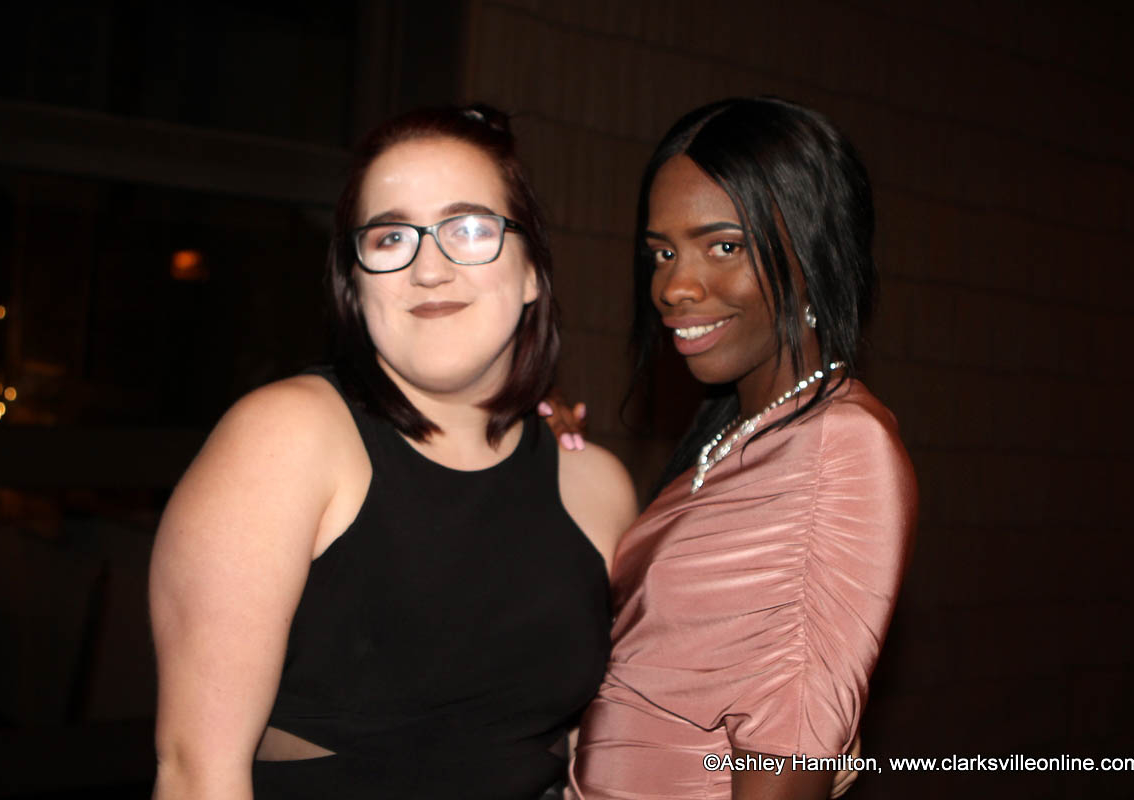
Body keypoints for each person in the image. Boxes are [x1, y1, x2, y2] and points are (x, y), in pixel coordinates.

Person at [149, 105, 638, 800]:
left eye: (470, 229)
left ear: (532, 271)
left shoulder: (597, 483)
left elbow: (598, 754)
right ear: (356, 283)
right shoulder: (285, 438)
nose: (429, 268)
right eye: (390, 237)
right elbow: (198, 773)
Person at [565, 96, 918, 799]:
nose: (674, 286)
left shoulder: (837, 448)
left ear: (813, 254)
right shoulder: (738, 434)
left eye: (723, 246)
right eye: (662, 253)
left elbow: (788, 748)